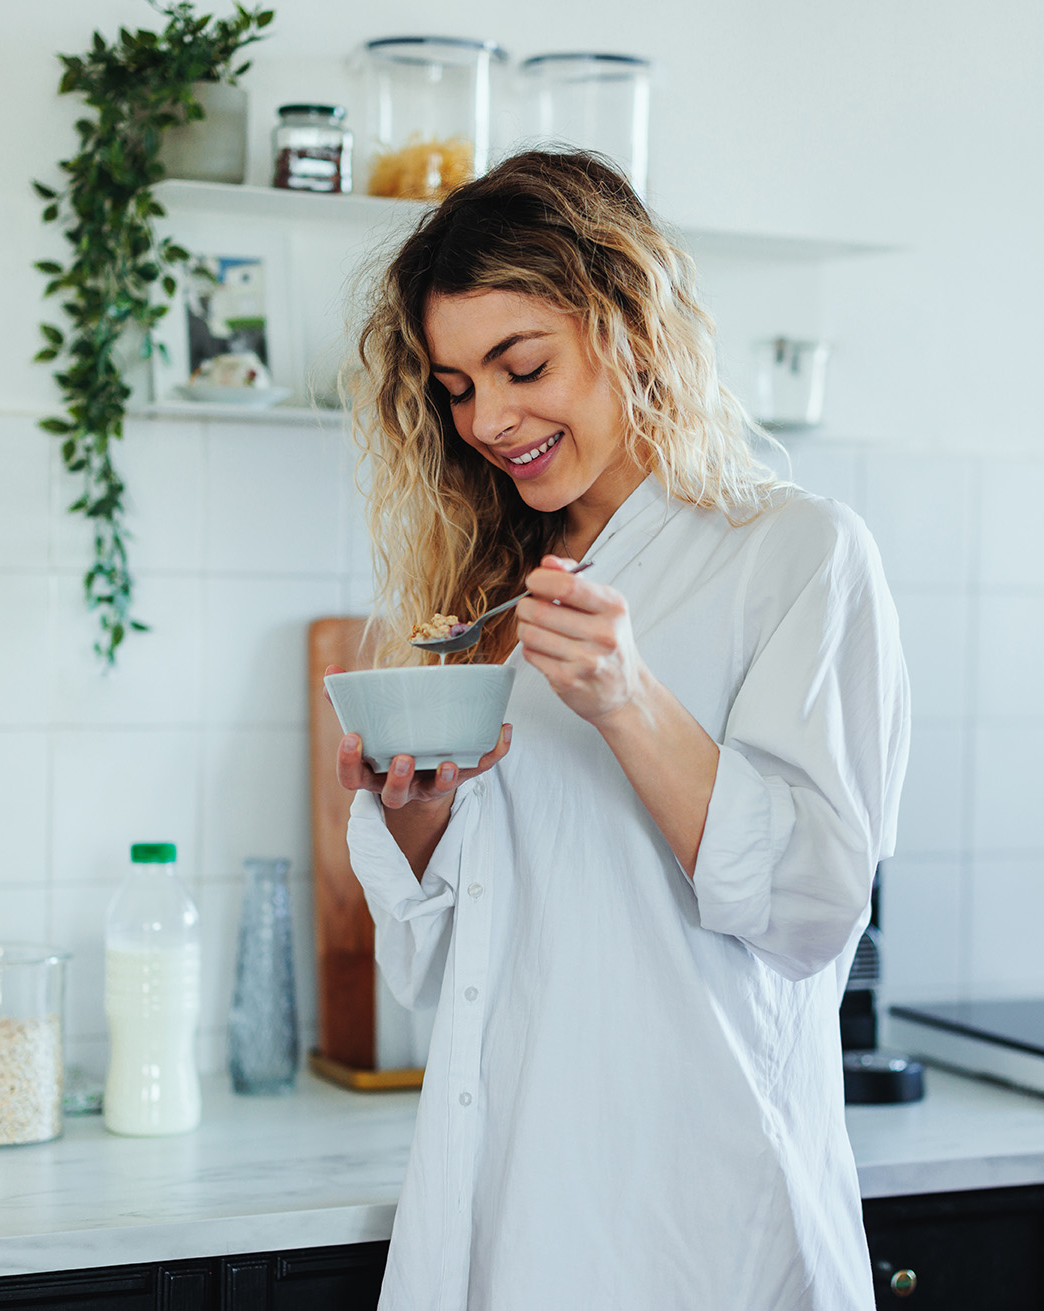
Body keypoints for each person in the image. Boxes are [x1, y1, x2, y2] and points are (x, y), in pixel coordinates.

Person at [334, 150, 910, 1311]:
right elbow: (446, 964)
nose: (488, 419)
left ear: (628, 323)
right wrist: (421, 816)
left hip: (693, 1219)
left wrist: (626, 700)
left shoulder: (793, 554)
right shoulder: (485, 587)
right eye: (454, 387)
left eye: (522, 365)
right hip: (503, 1201)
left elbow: (813, 911)